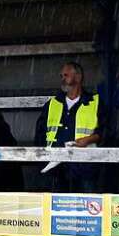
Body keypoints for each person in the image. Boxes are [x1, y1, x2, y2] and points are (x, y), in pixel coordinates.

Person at [33, 61, 102, 193]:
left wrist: (89, 139)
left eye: (66, 75)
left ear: (78, 77)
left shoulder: (95, 102)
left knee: (87, 209)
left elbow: (107, 131)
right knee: (55, 210)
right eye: (61, 76)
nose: (63, 79)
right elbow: (40, 135)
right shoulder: (51, 104)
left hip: (84, 168)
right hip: (55, 171)